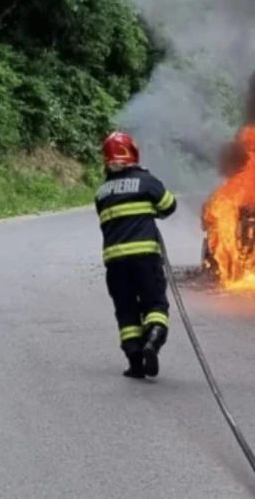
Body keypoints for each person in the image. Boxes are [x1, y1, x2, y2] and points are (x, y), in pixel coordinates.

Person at [95, 131, 177, 379]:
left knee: (126, 310)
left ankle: (135, 362)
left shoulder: (101, 193)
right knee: (155, 304)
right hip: (145, 258)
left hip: (115, 263)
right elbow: (169, 206)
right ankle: (153, 339)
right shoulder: (146, 181)